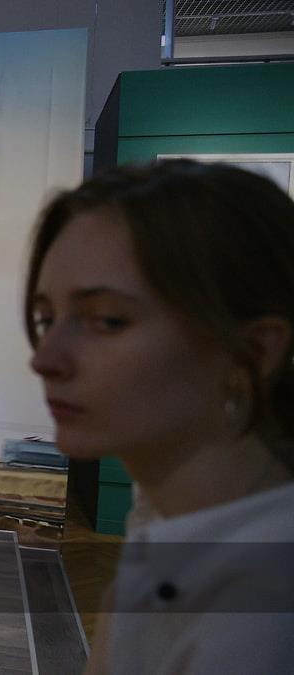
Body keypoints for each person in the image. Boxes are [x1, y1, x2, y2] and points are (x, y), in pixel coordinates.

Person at [24, 160, 294, 674]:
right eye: (46, 318)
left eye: (108, 320)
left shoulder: (261, 616)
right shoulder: (168, 514)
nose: (45, 359)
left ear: (254, 352)